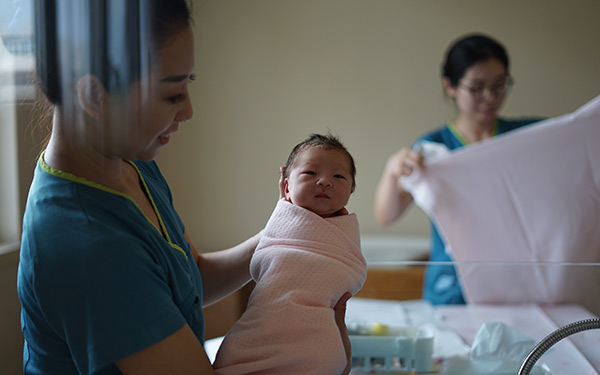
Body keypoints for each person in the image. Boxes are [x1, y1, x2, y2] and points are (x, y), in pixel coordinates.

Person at [17, 2, 350, 374]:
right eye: (172, 94)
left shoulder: (127, 162)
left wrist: (296, 230)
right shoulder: (91, 245)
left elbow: (190, 279)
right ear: (94, 96)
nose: (188, 111)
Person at [374, 33, 543, 305]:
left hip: (518, 288)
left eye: (499, 85)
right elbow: (386, 215)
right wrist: (392, 170)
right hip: (450, 289)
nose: (489, 97)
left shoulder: (527, 138)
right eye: (477, 88)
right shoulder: (431, 149)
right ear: (450, 86)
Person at [213, 134, 366, 375]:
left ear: (351, 190)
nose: (325, 181)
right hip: (260, 341)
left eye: (338, 176)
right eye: (310, 173)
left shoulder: (345, 238)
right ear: (286, 185)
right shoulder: (279, 229)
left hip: (319, 349)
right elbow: (266, 258)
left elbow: (350, 274)